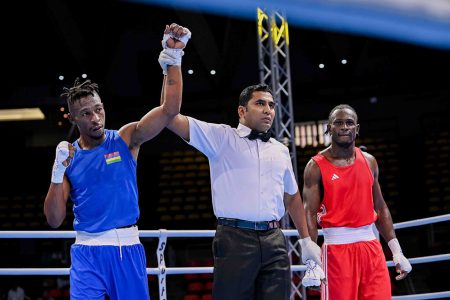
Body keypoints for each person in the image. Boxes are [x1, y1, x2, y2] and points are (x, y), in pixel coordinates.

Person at [43, 23, 191, 300]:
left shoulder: (125, 139)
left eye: (98, 109)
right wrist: (56, 172)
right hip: (86, 252)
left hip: (126, 248)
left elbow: (170, 110)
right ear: (74, 119)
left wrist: (173, 58)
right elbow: (53, 220)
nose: (95, 118)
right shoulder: (69, 158)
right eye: (86, 114)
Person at [163, 83, 322, 299]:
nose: (268, 110)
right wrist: (173, 62)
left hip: (275, 239)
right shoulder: (221, 137)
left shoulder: (280, 149)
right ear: (241, 111)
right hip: (234, 238)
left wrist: (305, 241)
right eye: (260, 103)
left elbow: (292, 196)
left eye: (271, 105)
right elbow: (171, 117)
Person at [302, 104, 412, 299]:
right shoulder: (315, 166)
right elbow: (308, 212)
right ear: (329, 128)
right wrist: (312, 260)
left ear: (357, 129)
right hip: (336, 251)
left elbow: (380, 207)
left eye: (349, 123)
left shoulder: (370, 161)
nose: (344, 127)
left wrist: (397, 251)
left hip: (371, 248)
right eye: (338, 123)